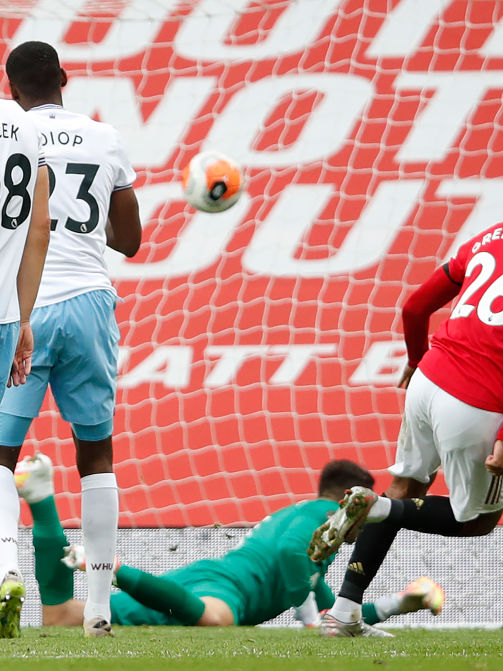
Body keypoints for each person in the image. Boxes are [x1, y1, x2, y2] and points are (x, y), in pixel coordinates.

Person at [307, 157, 503, 637]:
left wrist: (413, 360)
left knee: (405, 487)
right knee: (475, 522)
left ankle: (343, 613)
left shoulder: (493, 235)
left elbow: (414, 305)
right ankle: (378, 509)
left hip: (427, 380)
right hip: (476, 401)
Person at [0, 41, 141, 639]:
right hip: (88, 300)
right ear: (63, 77)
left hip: (20, 303)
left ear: (11, 91)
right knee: (96, 456)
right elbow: (130, 240)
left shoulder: (11, 138)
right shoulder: (104, 137)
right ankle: (100, 610)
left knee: (3, 456)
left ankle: (5, 573)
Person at [15, 454, 444, 629]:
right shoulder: (322, 516)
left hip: (206, 578)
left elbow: (336, 614)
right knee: (217, 620)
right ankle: (110, 566)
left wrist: (399, 603)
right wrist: (310, 618)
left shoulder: (302, 519)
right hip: (225, 589)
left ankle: (39, 497)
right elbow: (289, 555)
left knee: (63, 617)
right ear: (350, 500)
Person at [0, 59, 51, 638]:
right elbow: (39, 229)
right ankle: (5, 568)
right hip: (6, 315)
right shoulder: (26, 125)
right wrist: (23, 317)